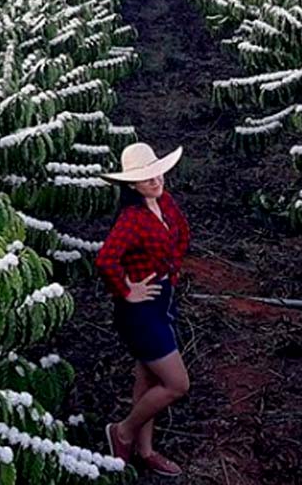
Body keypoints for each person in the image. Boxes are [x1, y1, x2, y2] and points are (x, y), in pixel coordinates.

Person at [95, 142, 191, 478]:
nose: (156, 180)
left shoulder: (165, 202)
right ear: (132, 185)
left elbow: (182, 234)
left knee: (148, 377)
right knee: (177, 384)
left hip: (162, 299)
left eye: (157, 173)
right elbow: (105, 259)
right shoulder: (132, 219)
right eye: (146, 178)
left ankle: (145, 450)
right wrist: (127, 290)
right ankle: (122, 432)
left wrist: (169, 272)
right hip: (139, 313)